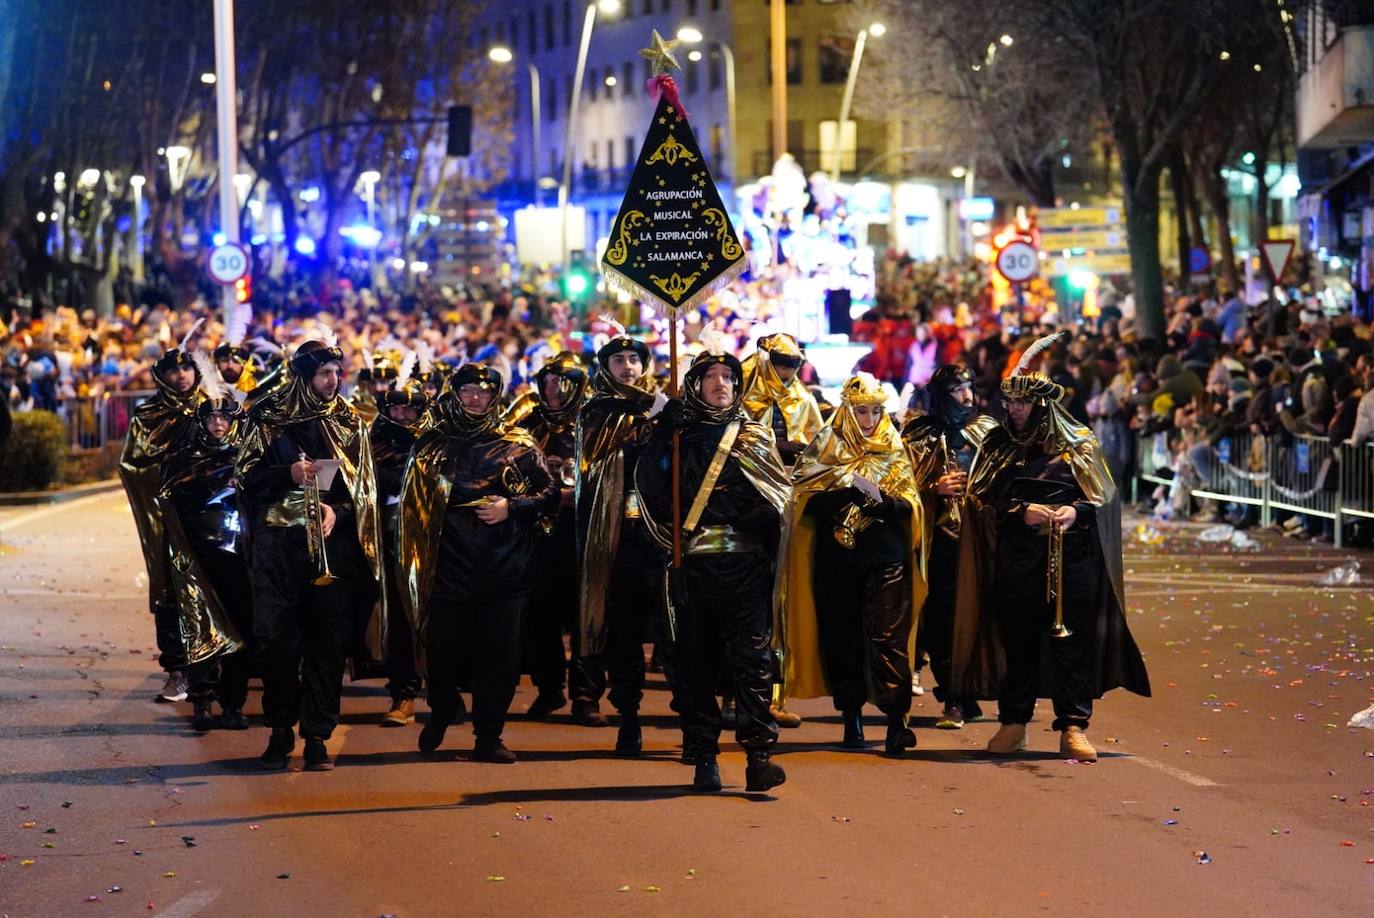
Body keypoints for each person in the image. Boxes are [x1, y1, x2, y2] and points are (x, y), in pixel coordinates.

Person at [953, 337, 1151, 762]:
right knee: (1017, 640)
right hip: (1017, 558)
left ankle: (1074, 726)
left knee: (1071, 645)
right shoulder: (999, 444)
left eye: (1022, 405)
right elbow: (981, 499)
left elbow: (1103, 497)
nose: (1014, 411)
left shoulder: (1078, 443)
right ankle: (1014, 723)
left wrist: (1074, 511)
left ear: (1041, 406)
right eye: (1010, 404)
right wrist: (1020, 511)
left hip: (1072, 559)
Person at [635, 334, 791, 792]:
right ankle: (704, 757)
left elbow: (780, 501)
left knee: (752, 665)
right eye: (711, 377)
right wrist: (663, 434)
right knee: (695, 665)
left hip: (746, 570)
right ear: (695, 384)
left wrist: (756, 514)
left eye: (728, 376)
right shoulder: (678, 435)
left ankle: (759, 757)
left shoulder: (754, 436)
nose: (721, 384)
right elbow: (651, 492)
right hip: (694, 569)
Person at [236, 338, 387, 772]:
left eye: (337, 373)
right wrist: (286, 473)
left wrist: (336, 512)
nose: (333, 381)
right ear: (303, 376)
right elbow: (243, 478)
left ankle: (318, 735)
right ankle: (280, 729)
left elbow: (365, 491)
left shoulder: (347, 423)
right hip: (278, 551)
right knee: (277, 644)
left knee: (327, 645)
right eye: (324, 374)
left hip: (332, 551)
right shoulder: (266, 419)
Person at [398, 363, 559, 763]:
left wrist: (513, 507)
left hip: (504, 568)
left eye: (484, 392)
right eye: (468, 390)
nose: (475, 399)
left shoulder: (518, 443)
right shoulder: (431, 444)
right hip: (448, 566)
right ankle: (441, 709)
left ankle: (489, 735)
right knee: (444, 651)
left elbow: (550, 493)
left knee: (500, 658)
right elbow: (410, 507)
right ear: (455, 394)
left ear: (495, 397)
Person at [776, 372, 926, 755]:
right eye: (862, 412)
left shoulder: (893, 446)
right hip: (837, 561)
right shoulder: (826, 446)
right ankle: (851, 718)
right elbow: (802, 498)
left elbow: (911, 501)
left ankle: (896, 721)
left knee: (888, 639)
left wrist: (888, 504)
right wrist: (842, 491)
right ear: (847, 412)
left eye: (876, 411)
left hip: (885, 558)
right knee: (842, 638)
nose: (870, 420)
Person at [573, 330, 662, 749]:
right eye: (619, 360)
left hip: (664, 537)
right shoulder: (598, 412)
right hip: (619, 536)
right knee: (624, 633)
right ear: (605, 368)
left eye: (634, 359)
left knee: (675, 632)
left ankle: (696, 726)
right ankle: (628, 716)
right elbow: (595, 461)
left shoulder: (665, 406)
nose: (629, 366)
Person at [157, 353, 251, 732]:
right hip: (197, 555)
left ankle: (233, 703)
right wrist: (213, 481)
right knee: (200, 627)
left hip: (238, 554)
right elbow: (172, 493)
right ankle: (202, 700)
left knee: (242, 627)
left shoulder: (249, 453)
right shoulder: (183, 455)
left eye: (224, 418)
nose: (217, 424)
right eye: (211, 417)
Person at [903, 365, 998, 729]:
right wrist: (933, 489)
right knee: (942, 620)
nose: (966, 396)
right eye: (958, 389)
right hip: (938, 541)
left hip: (979, 538)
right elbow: (902, 486)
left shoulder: (986, 433)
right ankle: (953, 696)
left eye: (969, 387)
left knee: (979, 617)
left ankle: (973, 691)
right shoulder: (919, 436)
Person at [738, 332, 823, 729]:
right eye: (781, 363)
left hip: (785, 510)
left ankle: (772, 694)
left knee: (779, 601)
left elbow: (818, 451)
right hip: (741, 508)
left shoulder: (803, 401)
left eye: (794, 364)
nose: (788, 372)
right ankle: (730, 693)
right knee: (740, 602)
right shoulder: (740, 392)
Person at [506, 351, 589, 720]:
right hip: (541, 530)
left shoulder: (593, 421)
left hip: (585, 529)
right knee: (542, 614)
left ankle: (586, 694)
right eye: (548, 381)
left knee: (586, 612)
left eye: (561, 382)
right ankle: (549, 686)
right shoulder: (529, 422)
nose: (553, 389)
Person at [119, 341, 202, 703]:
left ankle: (214, 672)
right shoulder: (148, 415)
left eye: (186, 369)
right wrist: (176, 474)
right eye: (173, 370)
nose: (181, 376)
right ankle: (177, 670)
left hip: (209, 518)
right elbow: (133, 466)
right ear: (161, 376)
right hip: (166, 517)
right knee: (170, 589)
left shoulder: (212, 408)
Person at [370, 371, 430, 727]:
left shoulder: (436, 440)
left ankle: (444, 695)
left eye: (412, 409)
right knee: (401, 622)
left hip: (436, 541)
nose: (405, 415)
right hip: (390, 538)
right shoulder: (372, 440)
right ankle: (403, 694)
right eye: (398, 409)